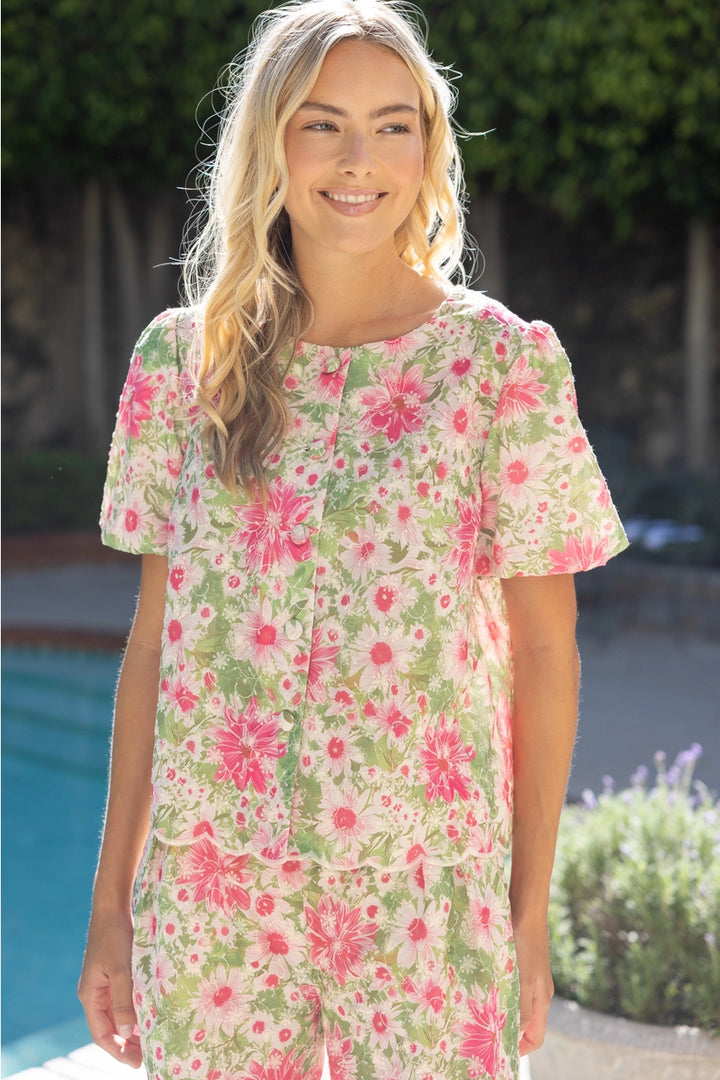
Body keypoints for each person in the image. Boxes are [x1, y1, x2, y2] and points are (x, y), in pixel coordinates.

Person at [78, 2, 628, 1078]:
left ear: (428, 145)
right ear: (270, 144)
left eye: (393, 124)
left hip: (424, 899)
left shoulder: (500, 367)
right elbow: (156, 647)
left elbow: (547, 656)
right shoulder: (179, 367)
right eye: (322, 125)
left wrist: (525, 918)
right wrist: (113, 906)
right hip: (214, 898)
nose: (359, 160)